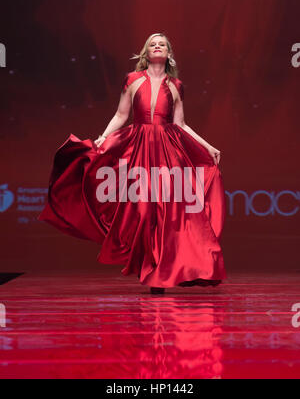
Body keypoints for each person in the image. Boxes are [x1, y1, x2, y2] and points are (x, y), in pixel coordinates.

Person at [38, 32, 227, 295]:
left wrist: (208, 146)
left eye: (162, 44)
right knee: (142, 208)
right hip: (139, 146)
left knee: (168, 209)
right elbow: (121, 114)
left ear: (169, 53)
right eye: (153, 44)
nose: (158, 46)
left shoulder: (176, 85)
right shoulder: (133, 80)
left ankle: (163, 269)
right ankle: (149, 266)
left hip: (167, 149)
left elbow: (180, 124)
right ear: (146, 53)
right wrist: (103, 138)